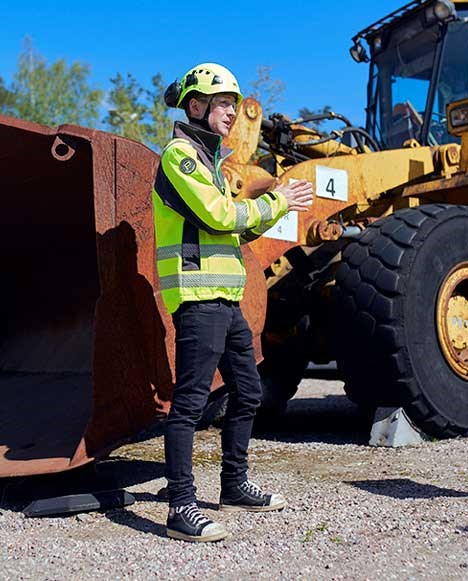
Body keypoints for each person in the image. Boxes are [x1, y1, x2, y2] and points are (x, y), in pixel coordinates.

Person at [153, 63, 314, 542]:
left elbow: (238, 227)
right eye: (224, 104)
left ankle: (234, 485)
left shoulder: (209, 162)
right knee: (189, 404)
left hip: (227, 299)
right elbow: (221, 214)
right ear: (197, 106)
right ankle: (181, 506)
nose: (231, 113)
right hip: (199, 299)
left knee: (249, 393)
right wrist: (277, 199)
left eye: (232, 103)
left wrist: (277, 206)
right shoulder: (179, 157)